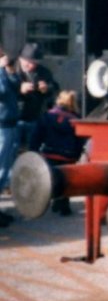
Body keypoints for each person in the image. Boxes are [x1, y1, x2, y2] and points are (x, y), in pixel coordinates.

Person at [31, 90, 85, 215]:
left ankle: (53, 201)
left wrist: (33, 150)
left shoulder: (48, 116)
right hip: (68, 155)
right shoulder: (75, 119)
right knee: (67, 179)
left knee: (51, 178)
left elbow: (37, 135)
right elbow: (79, 140)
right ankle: (64, 205)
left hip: (50, 153)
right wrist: (77, 154)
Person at [16, 42, 57, 153]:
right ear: (20, 58)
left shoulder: (43, 72)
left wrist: (46, 88)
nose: (31, 65)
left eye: (34, 63)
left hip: (34, 117)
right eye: (28, 62)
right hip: (14, 119)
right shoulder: (12, 70)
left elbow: (55, 89)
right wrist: (19, 89)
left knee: (32, 151)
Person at [0, 48, 19, 227]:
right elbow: (2, 92)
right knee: (0, 168)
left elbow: (14, 87)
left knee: (5, 168)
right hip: (1, 126)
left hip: (10, 123)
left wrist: (11, 72)